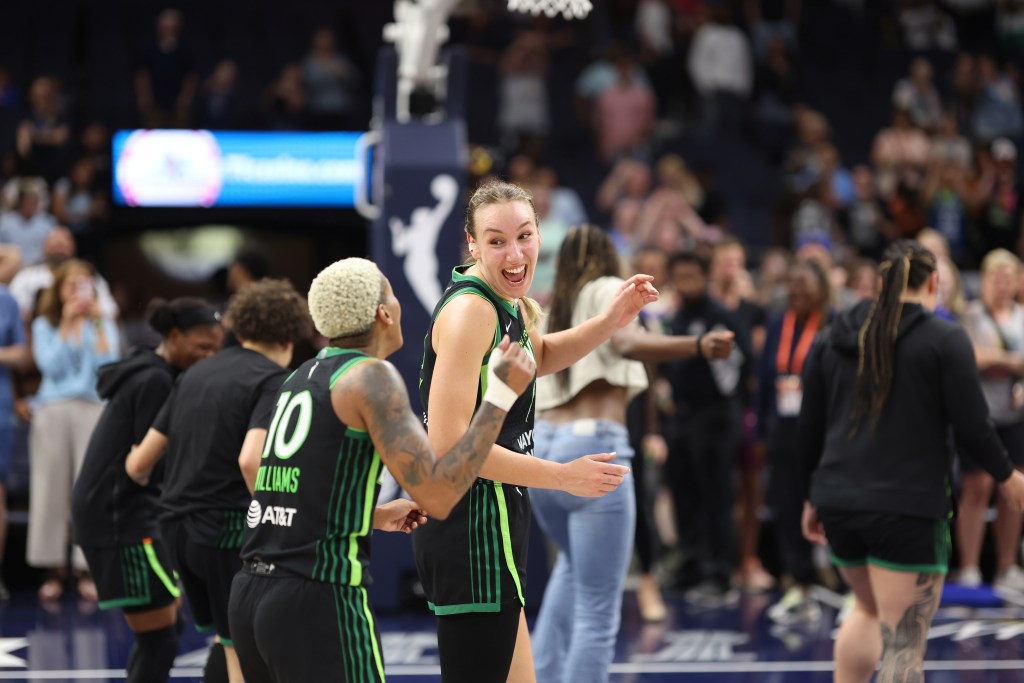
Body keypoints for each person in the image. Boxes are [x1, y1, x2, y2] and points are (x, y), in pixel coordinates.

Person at [227, 258, 536, 683]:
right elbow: (440, 496)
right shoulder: (371, 377)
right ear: (384, 314)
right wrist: (499, 397)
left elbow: (283, 496)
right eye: (392, 292)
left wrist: (368, 515)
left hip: (250, 594)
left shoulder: (301, 375)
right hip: (316, 595)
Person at [414, 179, 656, 683]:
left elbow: (539, 355)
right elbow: (452, 446)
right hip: (471, 532)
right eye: (497, 241)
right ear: (472, 243)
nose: (515, 253)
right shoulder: (471, 313)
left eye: (524, 235)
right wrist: (562, 476)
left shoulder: (511, 304)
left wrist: (611, 320)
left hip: (498, 524)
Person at [799, 240, 1024, 682]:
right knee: (903, 642)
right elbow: (973, 426)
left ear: (882, 285)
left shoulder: (834, 334)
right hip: (907, 508)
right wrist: (1007, 475)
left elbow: (809, 426)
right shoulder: (945, 337)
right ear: (934, 283)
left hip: (839, 502)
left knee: (865, 608)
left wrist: (812, 496)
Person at [531, 226, 733, 683]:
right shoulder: (607, 289)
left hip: (544, 451)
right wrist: (697, 346)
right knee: (599, 609)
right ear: (609, 259)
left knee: (570, 569)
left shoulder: (548, 307)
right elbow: (625, 342)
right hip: (595, 449)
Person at [126, 279, 313, 683]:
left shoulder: (193, 374)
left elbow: (139, 464)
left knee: (227, 641)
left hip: (175, 531)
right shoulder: (272, 380)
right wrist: (284, 519)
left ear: (239, 328)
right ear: (291, 334)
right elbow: (251, 461)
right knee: (245, 653)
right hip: (224, 531)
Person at [72, 298, 222, 683]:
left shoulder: (152, 371)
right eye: (201, 346)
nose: (208, 356)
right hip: (122, 518)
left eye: (214, 348)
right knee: (160, 638)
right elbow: (146, 466)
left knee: (165, 632)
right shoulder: (155, 380)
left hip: (123, 514)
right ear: (174, 335)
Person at [29, 259, 119, 602]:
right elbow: (49, 365)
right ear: (60, 290)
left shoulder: (103, 322)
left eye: (86, 284)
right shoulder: (44, 324)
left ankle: (87, 568)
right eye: (73, 285)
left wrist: (96, 325)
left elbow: (107, 365)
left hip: (93, 407)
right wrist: (67, 326)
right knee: (49, 488)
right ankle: (52, 570)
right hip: (52, 409)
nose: (80, 292)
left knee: (91, 489)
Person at [758, 257, 832, 625]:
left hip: (824, 432)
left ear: (822, 287)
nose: (797, 290)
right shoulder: (777, 325)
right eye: (792, 283)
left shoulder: (833, 326)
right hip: (784, 431)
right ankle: (798, 581)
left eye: (805, 283)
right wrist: (760, 430)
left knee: (827, 504)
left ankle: (842, 584)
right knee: (787, 506)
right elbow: (763, 379)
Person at [956, 249, 1024, 596]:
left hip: (1015, 417)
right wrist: (1013, 361)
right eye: (995, 276)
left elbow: (990, 360)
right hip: (980, 416)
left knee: (1013, 490)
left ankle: (1007, 566)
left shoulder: (1021, 316)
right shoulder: (972, 314)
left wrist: (1001, 364)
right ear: (984, 280)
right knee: (976, 487)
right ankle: (968, 567)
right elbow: (973, 356)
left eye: (1008, 276)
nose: (1001, 283)